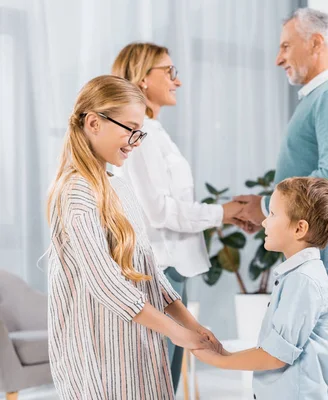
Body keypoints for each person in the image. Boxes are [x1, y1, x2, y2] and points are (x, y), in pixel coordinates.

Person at [46, 75, 218, 399]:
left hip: (134, 347)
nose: (135, 141)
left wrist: (193, 326)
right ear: (94, 122)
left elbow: (151, 274)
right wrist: (176, 333)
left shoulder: (120, 187)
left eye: (139, 131)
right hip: (100, 354)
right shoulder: (76, 193)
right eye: (129, 128)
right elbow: (105, 283)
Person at [234, 8, 328, 398]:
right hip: (317, 240)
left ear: (316, 43)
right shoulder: (321, 98)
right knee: (319, 356)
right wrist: (265, 210)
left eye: (285, 46)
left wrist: (263, 207)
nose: (279, 58)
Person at [111, 42, 242, 391]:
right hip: (160, 267)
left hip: (169, 268)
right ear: (141, 78)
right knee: (157, 380)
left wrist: (223, 214)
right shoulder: (144, 135)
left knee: (165, 379)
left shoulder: (155, 133)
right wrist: (222, 213)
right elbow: (159, 210)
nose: (177, 80)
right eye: (169, 71)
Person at [194, 177, 328, 400]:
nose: (264, 222)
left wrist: (219, 361)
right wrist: (225, 353)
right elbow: (274, 349)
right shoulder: (297, 276)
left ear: (299, 228)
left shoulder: (303, 280)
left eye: (272, 214)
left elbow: (276, 356)